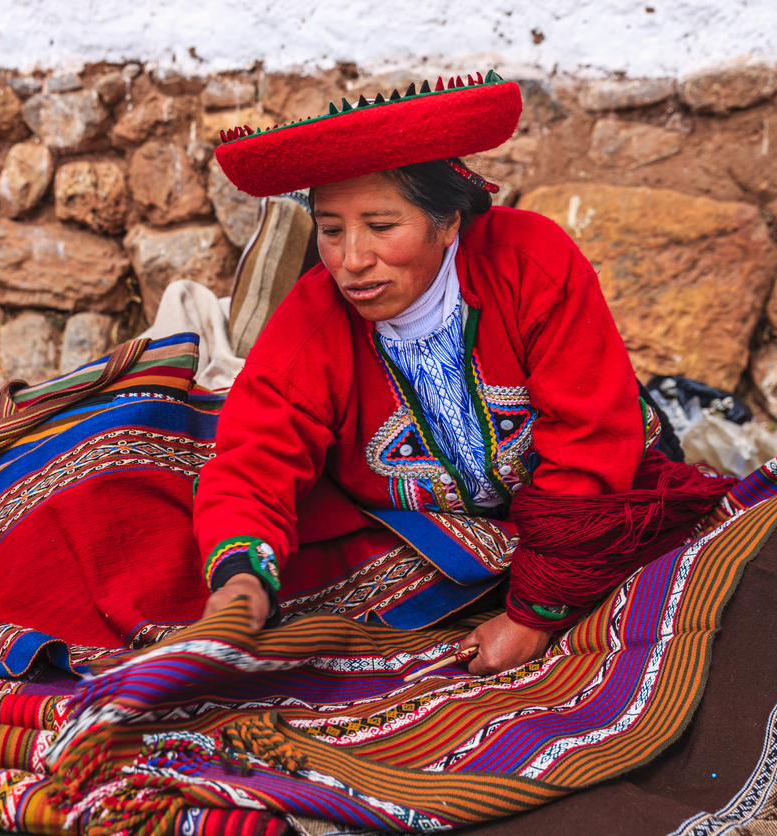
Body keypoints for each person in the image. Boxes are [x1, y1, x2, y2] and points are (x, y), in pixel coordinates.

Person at [198, 73, 734, 674]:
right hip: (447, 537)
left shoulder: (529, 262)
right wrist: (241, 583)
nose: (351, 260)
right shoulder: (313, 318)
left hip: (597, 502)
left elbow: (589, 442)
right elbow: (254, 458)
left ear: (448, 221)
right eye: (330, 230)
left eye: (380, 227)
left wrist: (533, 614)